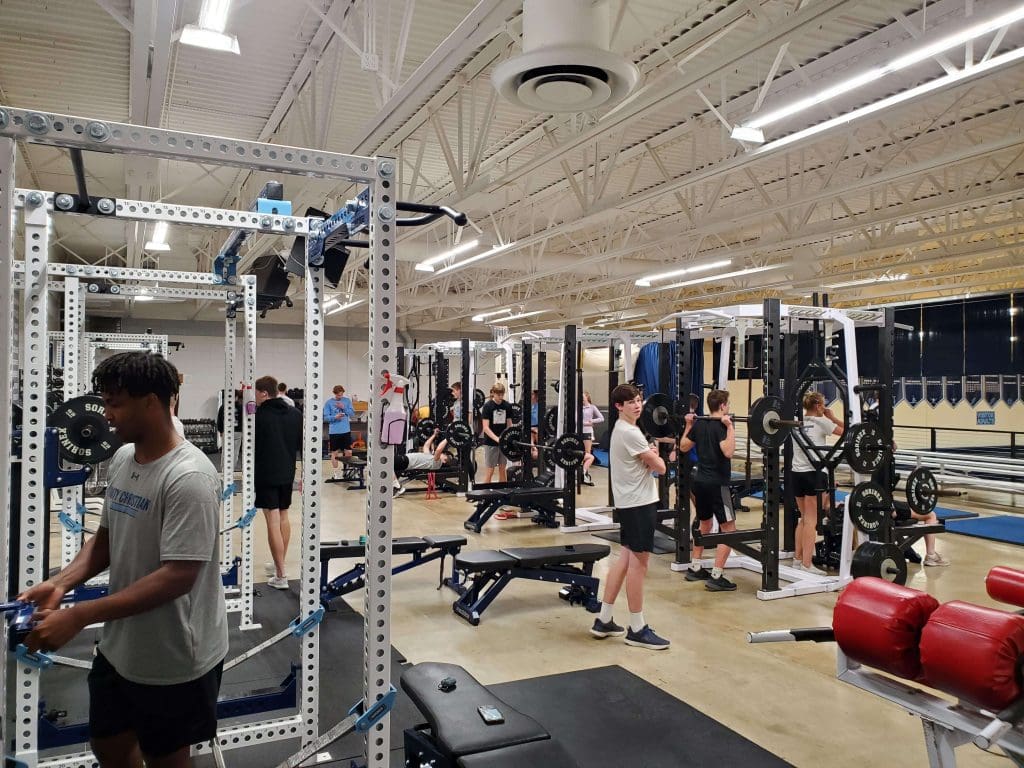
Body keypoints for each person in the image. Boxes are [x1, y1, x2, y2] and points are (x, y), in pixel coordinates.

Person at [19, 352, 227, 768]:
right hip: (120, 647)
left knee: (165, 758)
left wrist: (79, 616)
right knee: (108, 743)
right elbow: (106, 539)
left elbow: (178, 577)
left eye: (115, 403)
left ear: (150, 402)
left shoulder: (189, 477)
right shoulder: (122, 459)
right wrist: (62, 583)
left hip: (175, 657)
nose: (106, 415)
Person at [590, 383, 672, 650]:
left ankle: (604, 619)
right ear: (618, 407)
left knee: (624, 560)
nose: (637, 405)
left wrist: (653, 454)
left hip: (630, 503)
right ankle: (637, 628)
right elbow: (660, 468)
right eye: (630, 402)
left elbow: (648, 461)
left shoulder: (623, 430)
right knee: (639, 564)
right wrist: (656, 457)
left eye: (638, 400)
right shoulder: (630, 432)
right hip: (639, 505)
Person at [679, 389, 738, 592]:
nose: (728, 408)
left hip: (700, 481)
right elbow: (728, 452)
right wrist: (730, 427)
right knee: (729, 529)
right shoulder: (721, 426)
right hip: (717, 484)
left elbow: (683, 446)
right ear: (722, 406)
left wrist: (688, 425)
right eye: (727, 404)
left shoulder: (701, 423)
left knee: (705, 523)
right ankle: (716, 575)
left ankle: (695, 566)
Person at [254, 375, 302, 589]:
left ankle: (281, 574)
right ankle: (278, 564)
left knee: (272, 518)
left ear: (264, 393)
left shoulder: (259, 415)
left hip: (267, 473)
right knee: (283, 515)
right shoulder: (295, 414)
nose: (254, 398)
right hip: (286, 472)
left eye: (255, 393)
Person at [790, 391, 843, 575]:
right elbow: (849, 433)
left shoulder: (798, 423)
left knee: (803, 518)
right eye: (823, 404)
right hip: (814, 473)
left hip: (796, 473)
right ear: (818, 405)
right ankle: (806, 565)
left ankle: (797, 560)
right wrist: (834, 418)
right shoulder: (823, 422)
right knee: (811, 521)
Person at [393, 429, 452, 497]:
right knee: (387, 465)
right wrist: (434, 435)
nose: (443, 453)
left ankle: (398, 487)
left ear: (444, 461)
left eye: (444, 455)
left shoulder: (437, 463)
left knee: (388, 462)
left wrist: (448, 438)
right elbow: (426, 446)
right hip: (405, 459)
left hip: (407, 462)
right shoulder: (430, 457)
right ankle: (395, 486)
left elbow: (439, 449)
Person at [480, 382, 511, 491]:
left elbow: (509, 424)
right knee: (490, 470)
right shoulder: (487, 407)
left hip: (503, 443)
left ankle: (504, 494)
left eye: (502, 394)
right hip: (490, 443)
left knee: (503, 469)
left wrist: (506, 438)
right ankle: (483, 495)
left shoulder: (507, 406)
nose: (500, 397)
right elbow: (485, 428)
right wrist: (497, 439)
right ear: (493, 393)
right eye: (498, 395)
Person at [323, 384, 354, 480]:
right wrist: (334, 417)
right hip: (334, 431)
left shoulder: (347, 401)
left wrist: (343, 407)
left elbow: (352, 414)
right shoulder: (328, 403)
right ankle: (335, 473)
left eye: (341, 395)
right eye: (338, 395)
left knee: (348, 452)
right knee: (334, 453)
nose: (340, 397)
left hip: (345, 430)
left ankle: (348, 472)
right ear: (334, 394)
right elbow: (325, 417)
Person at [580, 390, 604, 485]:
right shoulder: (579, 407)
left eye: (582, 396)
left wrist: (592, 421)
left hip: (588, 432)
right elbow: (576, 420)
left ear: (587, 397)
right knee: (581, 454)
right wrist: (585, 423)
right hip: (580, 432)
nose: (581, 398)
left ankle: (585, 474)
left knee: (587, 454)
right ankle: (581, 474)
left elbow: (601, 418)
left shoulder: (592, 407)